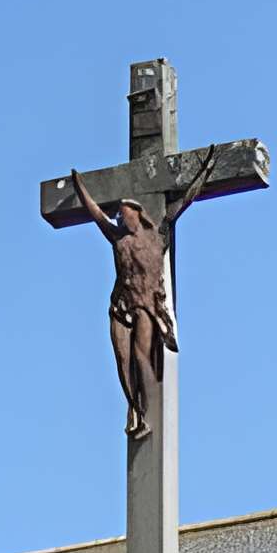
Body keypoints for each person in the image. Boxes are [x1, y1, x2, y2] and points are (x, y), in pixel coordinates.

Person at [66, 146, 218, 440]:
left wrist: (205, 172)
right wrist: (79, 186)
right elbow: (96, 213)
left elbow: (185, 202)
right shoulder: (117, 238)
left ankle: (143, 410)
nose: (122, 218)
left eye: (126, 214)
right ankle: (134, 410)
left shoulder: (157, 237)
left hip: (146, 307)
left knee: (141, 357)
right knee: (123, 361)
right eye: (120, 215)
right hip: (121, 307)